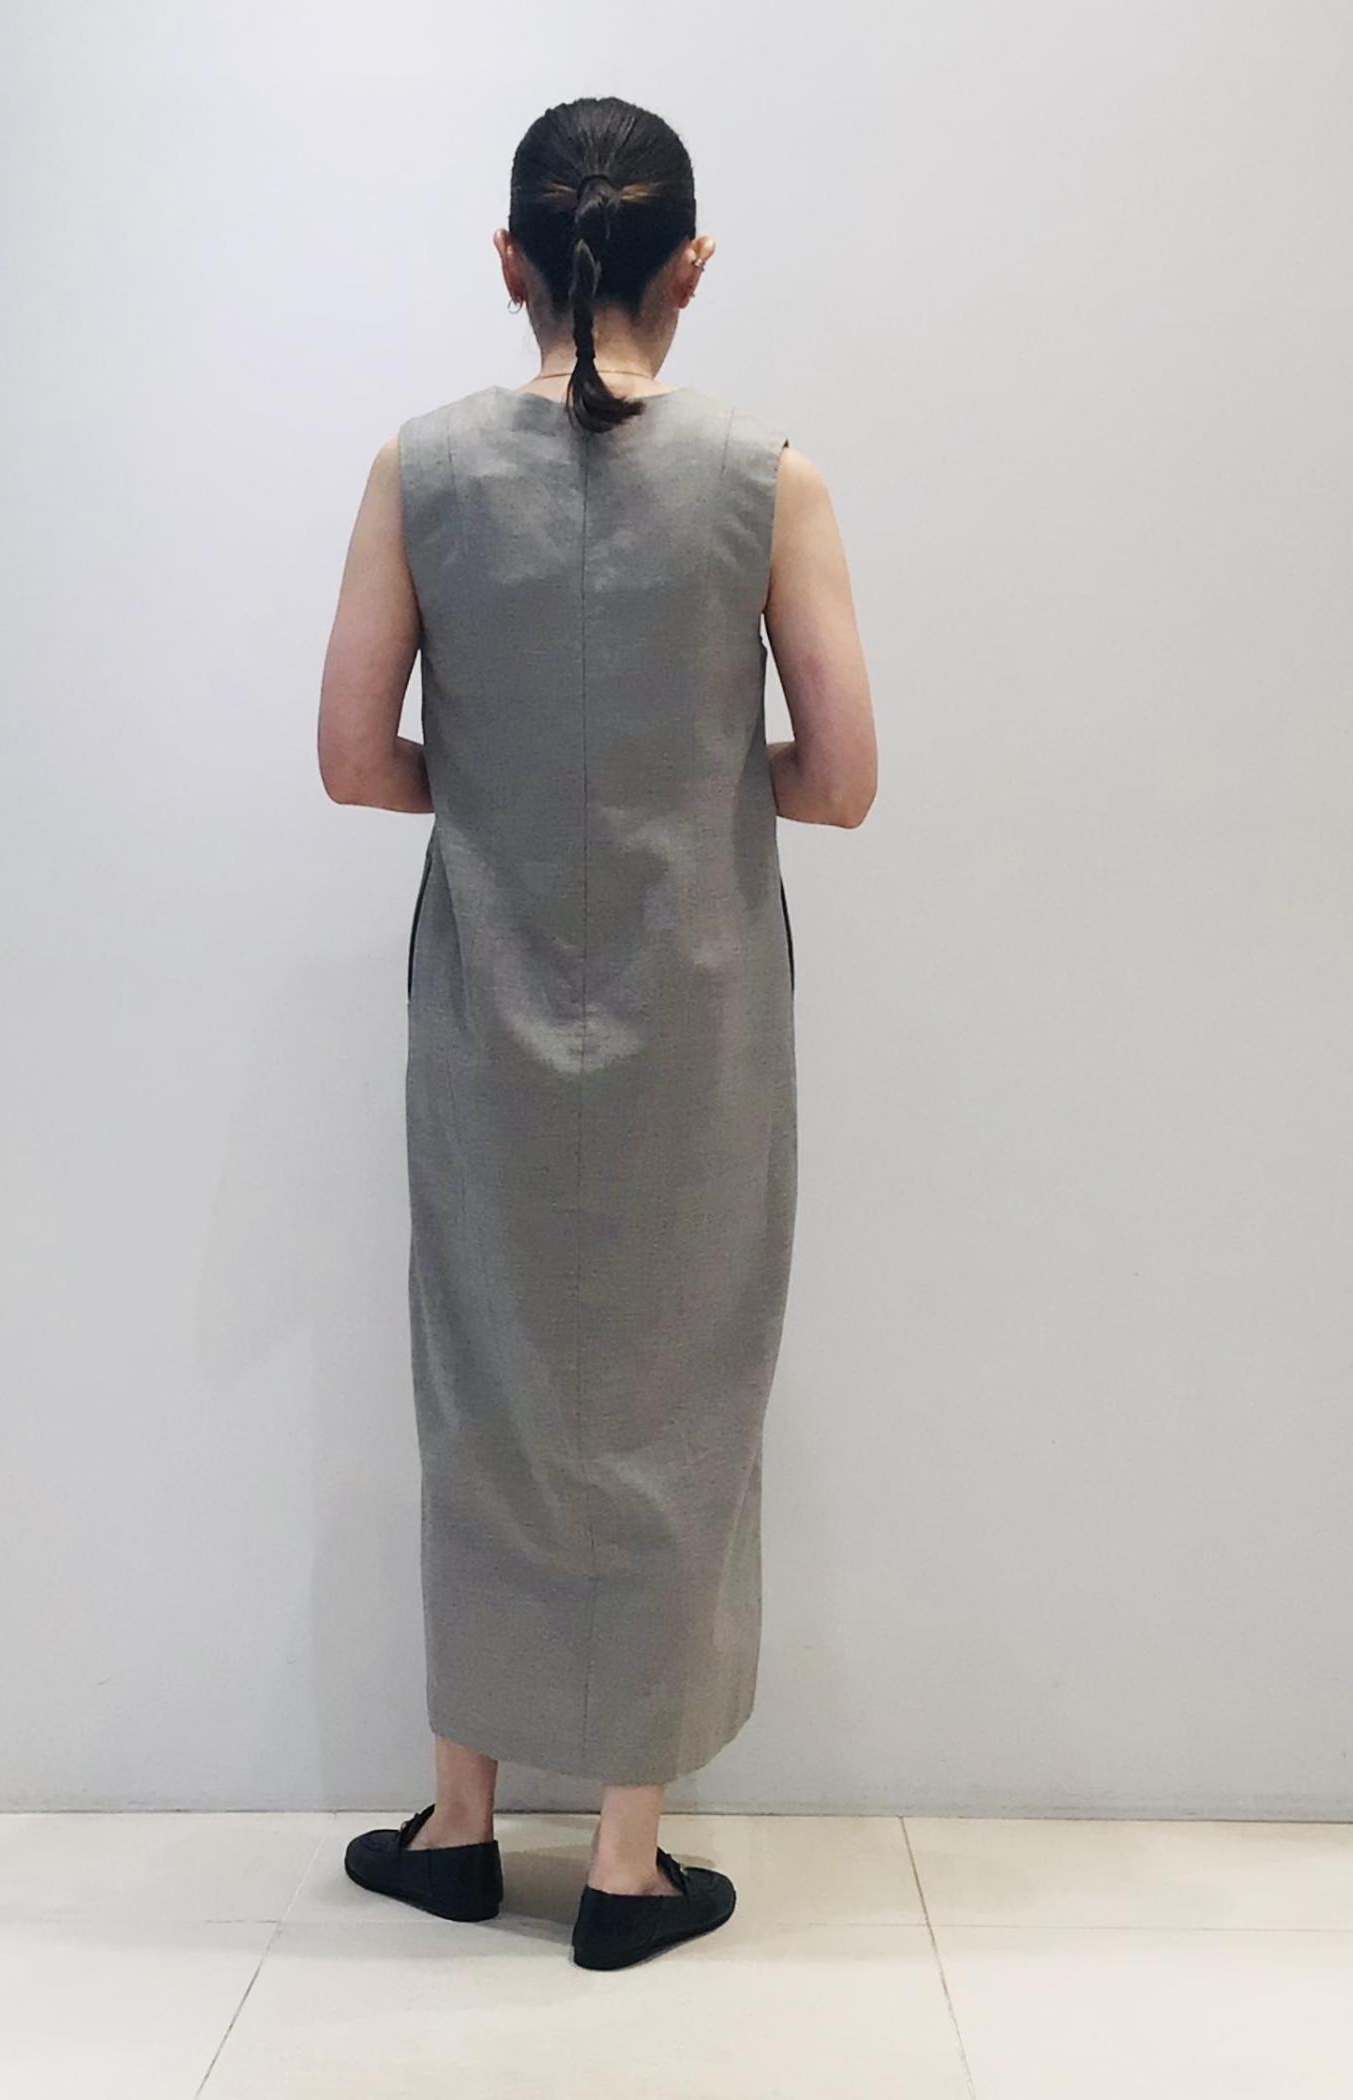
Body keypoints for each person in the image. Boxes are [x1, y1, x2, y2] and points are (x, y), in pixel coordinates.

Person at [317, 94, 876, 1971]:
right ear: (688, 267)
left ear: (509, 261)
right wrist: (688, 774)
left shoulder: (414, 471)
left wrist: (498, 783)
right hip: (700, 1015)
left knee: (483, 1382)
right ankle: (628, 1867)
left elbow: (351, 760)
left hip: (486, 999)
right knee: (679, 1392)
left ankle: (461, 1824)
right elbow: (843, 780)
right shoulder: (772, 481)